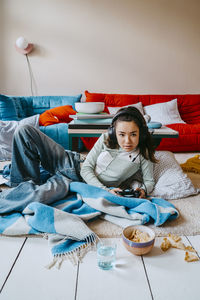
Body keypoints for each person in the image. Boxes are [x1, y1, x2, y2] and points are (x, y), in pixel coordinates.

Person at [9, 107, 157, 199]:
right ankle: (20, 185)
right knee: (25, 131)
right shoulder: (106, 138)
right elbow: (86, 168)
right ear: (114, 132)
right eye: (121, 134)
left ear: (141, 134)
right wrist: (104, 190)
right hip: (71, 164)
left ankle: (23, 190)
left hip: (75, 182)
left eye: (133, 134)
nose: (127, 141)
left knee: (37, 196)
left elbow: (149, 181)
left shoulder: (143, 154)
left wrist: (142, 190)